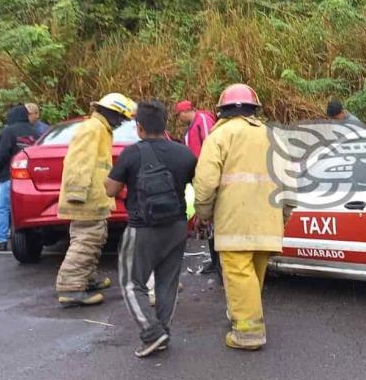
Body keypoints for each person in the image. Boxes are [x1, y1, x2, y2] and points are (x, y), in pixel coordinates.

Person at [193, 83, 283, 351]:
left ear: (222, 111)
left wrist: (203, 214)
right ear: (254, 110)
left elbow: (205, 183)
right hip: (267, 222)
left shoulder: (220, 136)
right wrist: (283, 218)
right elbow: (290, 185)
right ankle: (240, 315)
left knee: (238, 275)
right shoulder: (273, 136)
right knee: (253, 276)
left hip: (234, 223)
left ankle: (248, 333)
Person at [105, 101, 196, 358]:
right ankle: (162, 331)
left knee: (132, 283)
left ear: (139, 127)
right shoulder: (184, 153)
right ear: (166, 124)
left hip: (142, 228)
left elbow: (110, 189)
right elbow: (200, 183)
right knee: (167, 283)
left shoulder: (132, 153)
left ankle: (152, 333)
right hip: (177, 226)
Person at [55, 93, 135, 307]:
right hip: (85, 199)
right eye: (120, 118)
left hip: (94, 198)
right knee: (85, 241)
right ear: (111, 112)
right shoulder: (93, 128)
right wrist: (76, 194)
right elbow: (78, 162)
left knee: (94, 238)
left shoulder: (100, 129)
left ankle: (85, 280)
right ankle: (71, 288)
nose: (121, 123)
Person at [174, 100, 219, 274]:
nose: (179, 118)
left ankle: (218, 263)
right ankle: (214, 262)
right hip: (198, 178)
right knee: (206, 221)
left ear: (185, 112)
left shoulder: (203, 121)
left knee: (211, 218)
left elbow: (210, 146)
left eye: (179, 115)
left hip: (206, 177)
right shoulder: (192, 126)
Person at [0, 105, 37, 250]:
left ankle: (1, 240)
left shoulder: (8, 131)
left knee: (3, 208)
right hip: (30, 178)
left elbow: (2, 154)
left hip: (9, 175)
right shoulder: (35, 132)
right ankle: (25, 237)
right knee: (24, 208)